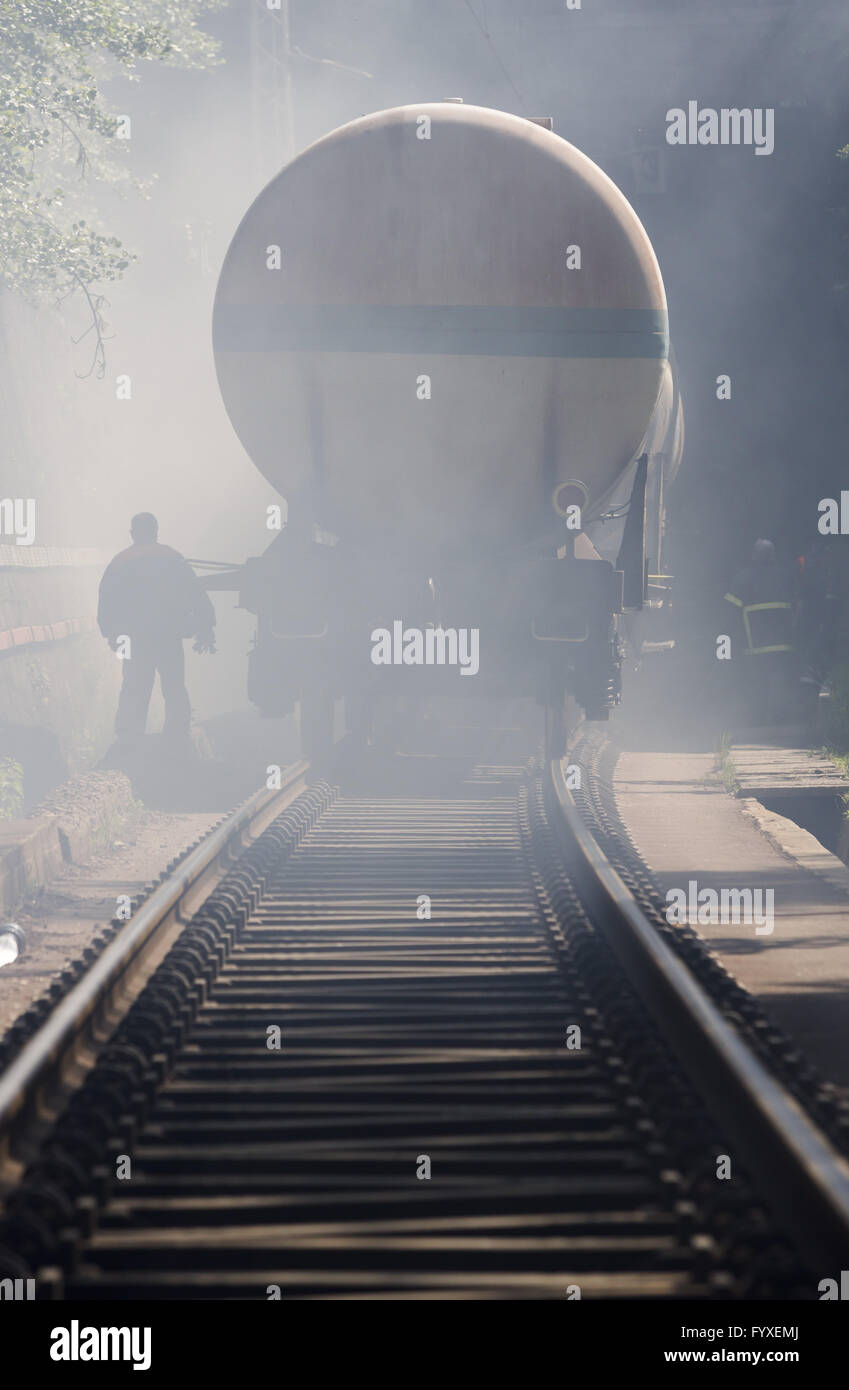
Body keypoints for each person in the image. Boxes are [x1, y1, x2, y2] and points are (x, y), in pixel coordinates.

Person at [98, 513, 216, 745]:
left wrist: (111, 633)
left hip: (134, 637)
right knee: (173, 685)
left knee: (134, 685)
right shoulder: (171, 557)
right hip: (167, 634)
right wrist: (205, 625)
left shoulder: (120, 561)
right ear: (156, 531)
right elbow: (195, 592)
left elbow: (106, 600)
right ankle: (177, 733)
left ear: (133, 533)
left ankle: (129, 737)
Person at [724, 538, 796, 724]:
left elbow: (729, 611)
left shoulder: (743, 578)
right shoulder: (785, 577)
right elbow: (799, 607)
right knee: (780, 682)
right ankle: (780, 718)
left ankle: (758, 719)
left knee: (757, 684)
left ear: (754, 556)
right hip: (783, 644)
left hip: (755, 644)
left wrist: (731, 638)